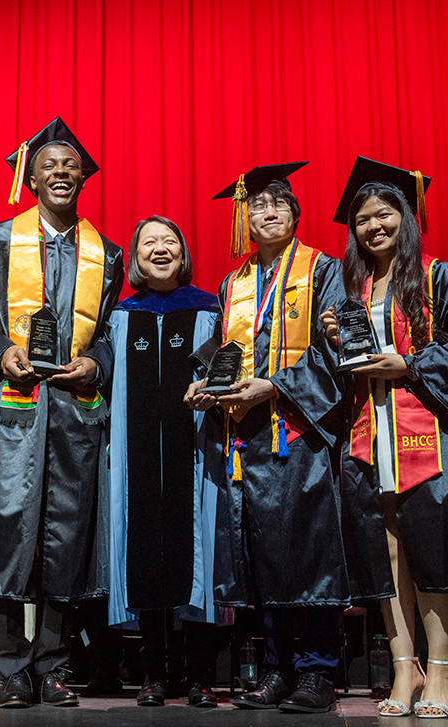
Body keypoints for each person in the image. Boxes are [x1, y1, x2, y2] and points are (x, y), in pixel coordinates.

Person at [322, 157, 448, 718]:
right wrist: (338, 341)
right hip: (366, 435)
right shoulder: (350, 287)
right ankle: (401, 668)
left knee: (431, 551)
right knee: (386, 554)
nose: (373, 227)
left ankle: (440, 668)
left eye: (385, 215)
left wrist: (408, 364)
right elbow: (342, 366)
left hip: (425, 433)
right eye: (363, 220)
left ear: (406, 219)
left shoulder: (437, 277)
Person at [0, 116, 123, 708]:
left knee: (65, 538)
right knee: (4, 531)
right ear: (30, 176)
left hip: (75, 412)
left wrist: (97, 363)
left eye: (71, 165)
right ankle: (10, 668)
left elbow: (114, 334)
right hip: (13, 410)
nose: (62, 172)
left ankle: (52, 664)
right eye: (50, 164)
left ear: (83, 178)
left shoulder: (109, 253)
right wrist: (2, 353)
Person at [185, 162, 349, 714]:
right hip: (246, 439)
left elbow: (338, 354)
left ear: (295, 214)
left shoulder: (324, 271)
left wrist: (273, 387)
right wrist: (206, 387)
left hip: (301, 433)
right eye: (257, 205)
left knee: (309, 548)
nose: (268, 211)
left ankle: (320, 670)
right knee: (264, 554)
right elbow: (227, 357)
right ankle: (278, 669)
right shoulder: (234, 283)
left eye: (279, 203)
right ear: (244, 220)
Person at [88, 216, 221, 708]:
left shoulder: (210, 309)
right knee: (144, 546)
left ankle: (201, 675)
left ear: (184, 255)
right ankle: (154, 674)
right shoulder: (122, 317)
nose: (160, 249)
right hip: (135, 459)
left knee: (196, 551)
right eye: (150, 243)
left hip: (196, 455)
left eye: (170, 242)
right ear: (136, 258)